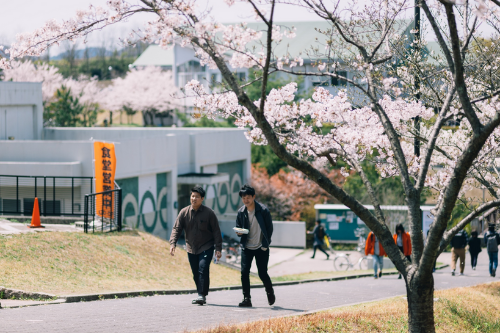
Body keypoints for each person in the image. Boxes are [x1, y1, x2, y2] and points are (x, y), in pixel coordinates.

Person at [169, 186, 222, 305]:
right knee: (196, 272)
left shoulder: (209, 213)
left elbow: (216, 231)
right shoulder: (184, 212)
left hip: (206, 247)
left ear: (202, 198)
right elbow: (177, 228)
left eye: (197, 197)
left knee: (203, 268)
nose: (194, 198)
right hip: (191, 248)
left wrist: (218, 248)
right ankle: (201, 293)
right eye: (192, 196)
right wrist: (173, 243)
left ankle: (201, 295)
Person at [235, 184, 275, 308]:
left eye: (248, 197)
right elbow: (238, 228)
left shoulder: (263, 210)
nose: (245, 200)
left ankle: (269, 291)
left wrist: (266, 243)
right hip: (247, 246)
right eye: (243, 198)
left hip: (261, 247)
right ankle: (247, 298)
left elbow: (269, 228)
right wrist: (239, 232)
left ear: (253, 197)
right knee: (244, 272)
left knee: (262, 273)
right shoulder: (241, 212)